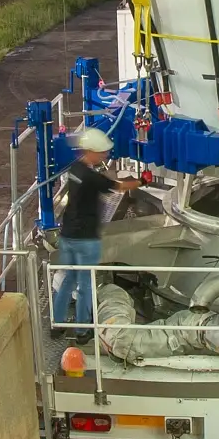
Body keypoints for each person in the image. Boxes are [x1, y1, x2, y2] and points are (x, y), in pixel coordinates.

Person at [53, 129, 144, 327]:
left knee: (68, 281)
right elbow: (118, 186)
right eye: (102, 152)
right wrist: (142, 181)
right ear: (90, 151)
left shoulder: (74, 170)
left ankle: (57, 324)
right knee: (86, 284)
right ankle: (83, 328)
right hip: (85, 239)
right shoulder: (92, 178)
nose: (105, 155)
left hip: (67, 235)